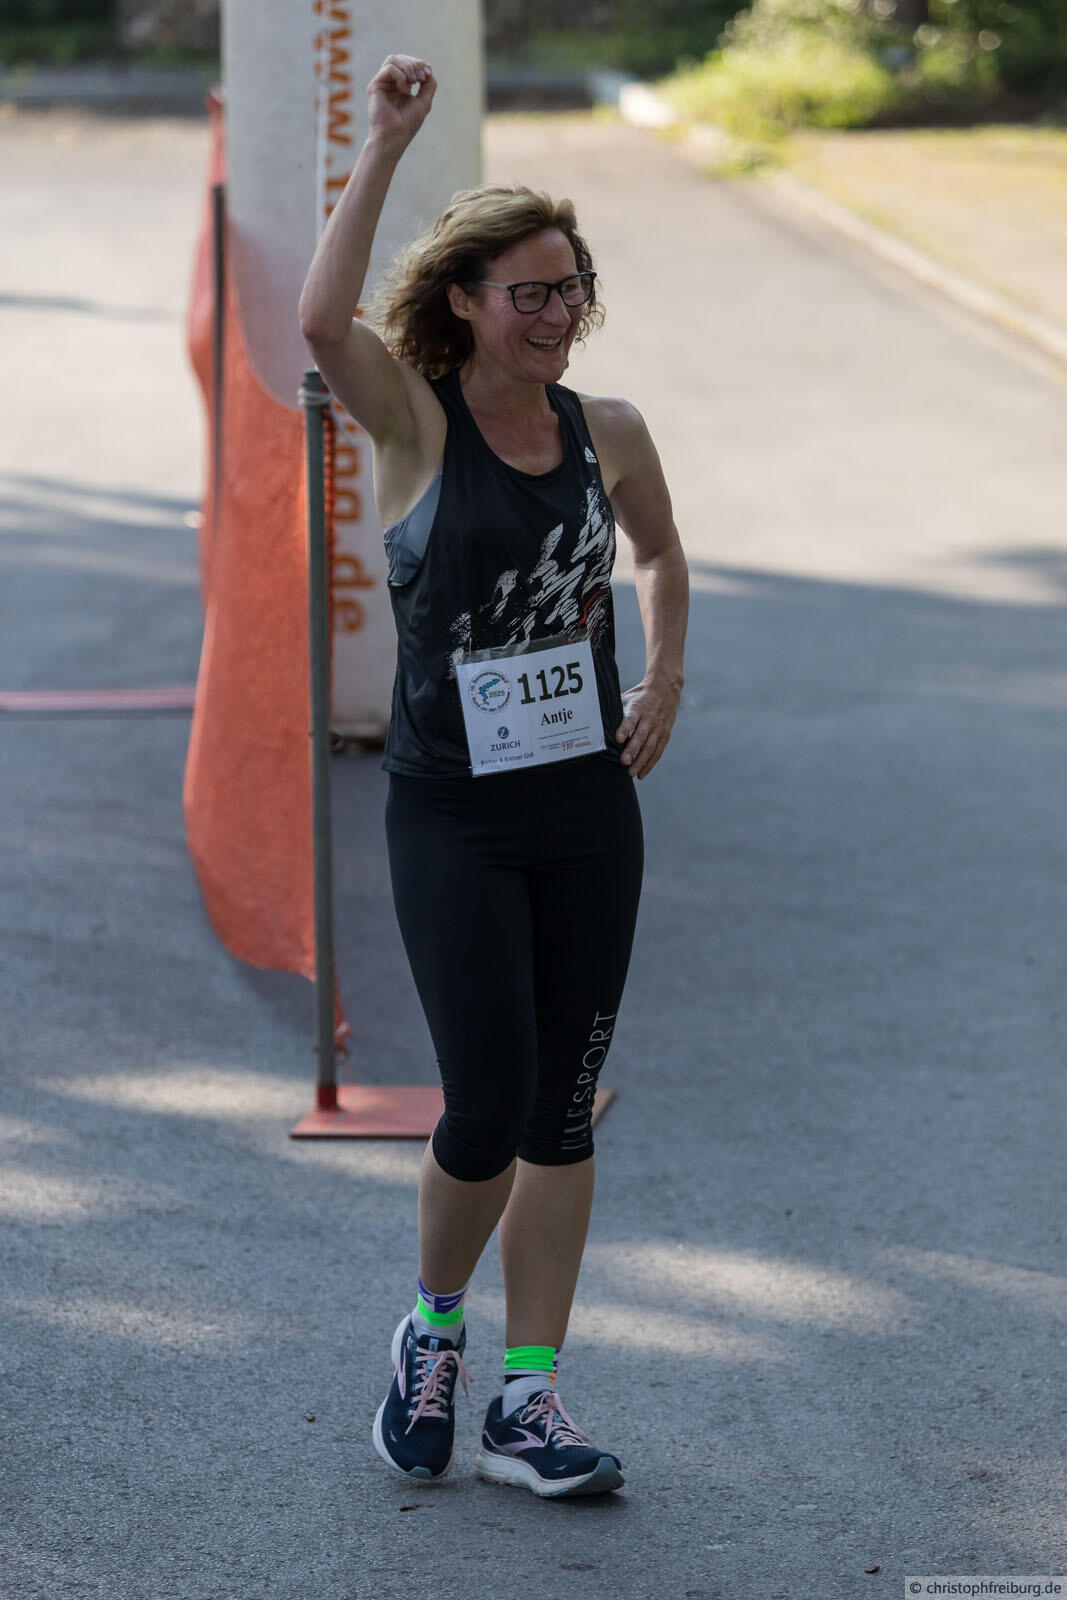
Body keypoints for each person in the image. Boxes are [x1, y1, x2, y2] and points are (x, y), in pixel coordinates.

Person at [299, 54, 688, 1499]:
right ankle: (433, 1330)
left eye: (573, 287)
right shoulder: (417, 425)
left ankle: (530, 1399)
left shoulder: (611, 431)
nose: (560, 313)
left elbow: (661, 552)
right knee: (485, 1098)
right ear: (466, 301)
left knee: (562, 1110)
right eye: (530, 292)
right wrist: (387, 144)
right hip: (454, 811)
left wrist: (664, 674)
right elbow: (318, 320)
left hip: (586, 806)